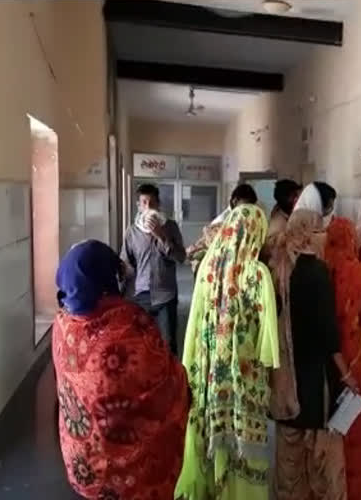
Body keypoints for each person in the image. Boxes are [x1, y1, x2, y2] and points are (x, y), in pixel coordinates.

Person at [52, 240, 190, 500]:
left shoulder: (62, 325)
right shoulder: (129, 324)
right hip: (135, 472)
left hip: (85, 460)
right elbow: (166, 381)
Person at [176, 204, 279, 500]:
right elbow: (268, 339)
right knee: (246, 445)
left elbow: (194, 322)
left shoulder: (208, 267)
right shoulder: (257, 274)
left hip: (210, 375)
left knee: (211, 434)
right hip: (246, 378)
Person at [268, 202, 354, 500]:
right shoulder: (317, 272)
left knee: (289, 450)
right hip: (315, 377)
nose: (322, 237)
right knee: (320, 451)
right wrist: (346, 374)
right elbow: (328, 334)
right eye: (318, 231)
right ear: (307, 234)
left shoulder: (276, 267)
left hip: (285, 377)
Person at [324, 217, 361, 500]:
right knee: (354, 418)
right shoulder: (355, 269)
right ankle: (355, 488)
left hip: (329, 356)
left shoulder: (323, 268)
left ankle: (330, 485)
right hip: (353, 353)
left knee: (330, 419)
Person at [121, 183, 186, 356]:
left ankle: (172, 380)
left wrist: (160, 235)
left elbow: (181, 257)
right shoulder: (132, 232)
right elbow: (127, 264)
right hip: (140, 296)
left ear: (158, 204)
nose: (148, 207)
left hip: (165, 296)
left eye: (152, 202)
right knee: (141, 345)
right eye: (144, 203)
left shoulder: (170, 227)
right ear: (138, 206)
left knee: (168, 344)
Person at [186, 183, 258, 276]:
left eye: (251, 206)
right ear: (235, 201)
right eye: (245, 206)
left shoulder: (249, 219)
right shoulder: (223, 221)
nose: (247, 210)